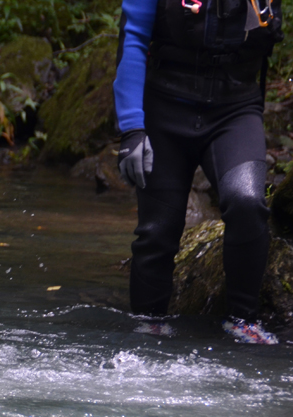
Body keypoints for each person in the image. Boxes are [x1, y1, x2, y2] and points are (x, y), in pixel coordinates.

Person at [114, 0, 284, 343]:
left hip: (235, 108)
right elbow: (133, 38)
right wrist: (132, 128)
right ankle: (149, 327)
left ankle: (243, 321)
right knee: (157, 230)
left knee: (247, 203)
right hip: (164, 108)